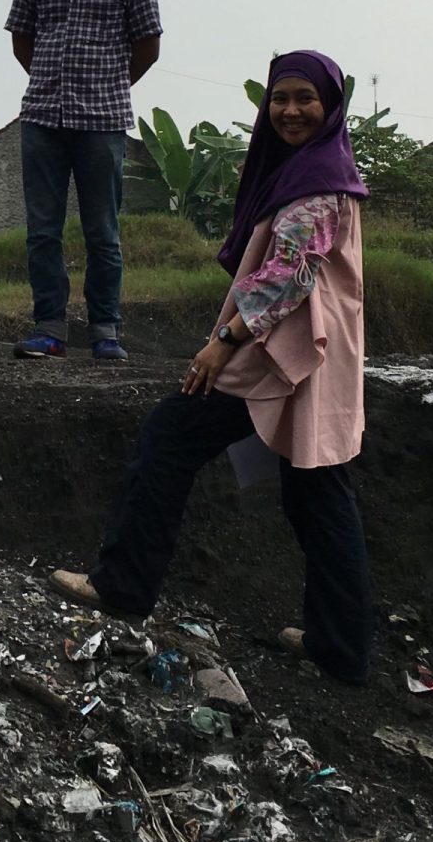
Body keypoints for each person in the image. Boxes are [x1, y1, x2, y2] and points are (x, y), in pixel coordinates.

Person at [47, 50, 375, 683]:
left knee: (171, 436)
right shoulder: (317, 170)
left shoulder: (315, 181)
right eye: (280, 98)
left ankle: (122, 586)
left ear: (331, 105)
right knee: (318, 491)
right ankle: (342, 648)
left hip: (279, 349)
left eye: (306, 98)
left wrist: (222, 340)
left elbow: (287, 276)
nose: (290, 110)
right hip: (314, 353)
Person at [4, 0, 161, 362]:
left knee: (103, 232)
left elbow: (148, 47)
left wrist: (107, 84)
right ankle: (49, 329)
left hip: (103, 122)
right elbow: (21, 40)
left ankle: (105, 332)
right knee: (43, 231)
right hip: (42, 120)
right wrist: (54, 80)